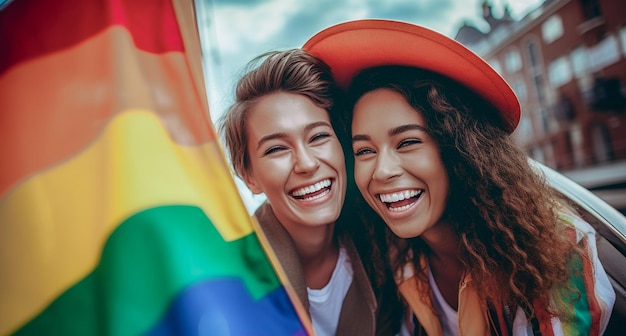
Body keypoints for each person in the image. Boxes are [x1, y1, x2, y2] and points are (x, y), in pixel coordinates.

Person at [304, 19, 616, 335]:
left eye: (408, 142)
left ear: (460, 149)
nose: (382, 171)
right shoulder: (386, 257)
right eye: (364, 151)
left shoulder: (556, 249)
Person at [217, 48, 400, 336]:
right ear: (249, 177)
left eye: (318, 137)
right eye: (276, 148)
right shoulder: (229, 281)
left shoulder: (384, 245)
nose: (307, 163)